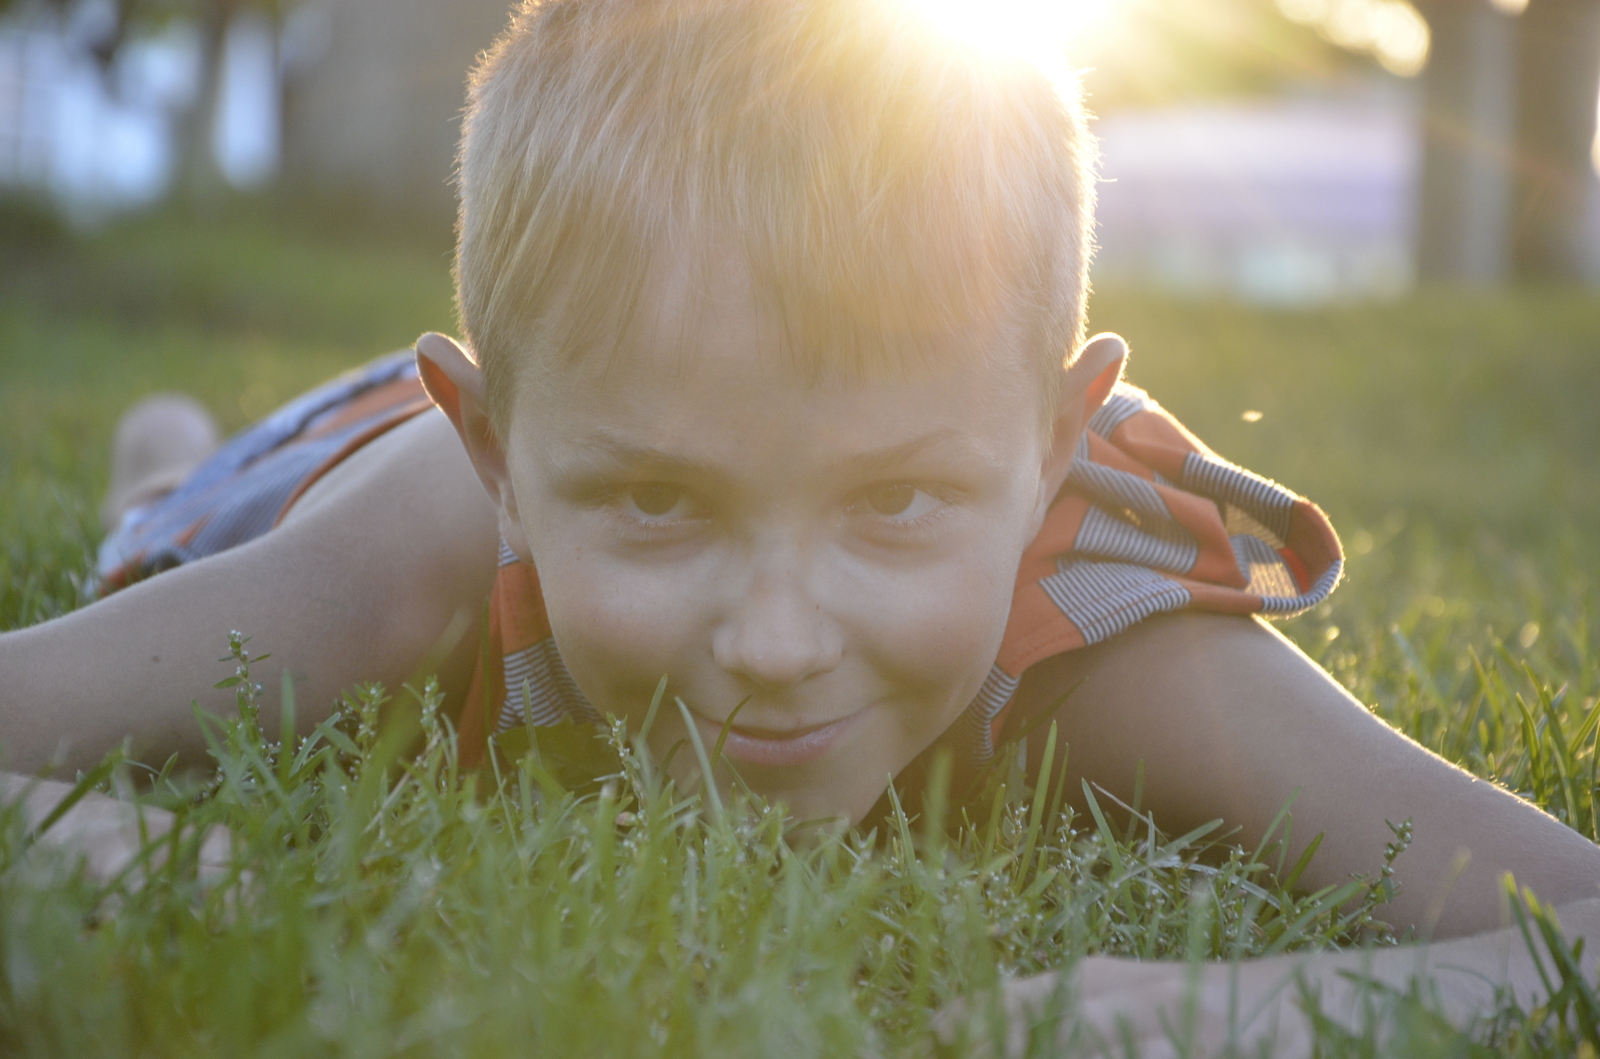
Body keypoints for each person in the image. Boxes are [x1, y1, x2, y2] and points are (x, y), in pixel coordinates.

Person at [2, 0, 1598, 1051]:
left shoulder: (1096, 621)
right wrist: (96, 835)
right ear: (502, 457)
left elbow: (1572, 918)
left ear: (1052, 449)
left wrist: (1200, 1006)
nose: (776, 643)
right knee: (157, 536)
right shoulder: (417, 545)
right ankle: (170, 456)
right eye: (660, 504)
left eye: (895, 503)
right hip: (340, 468)